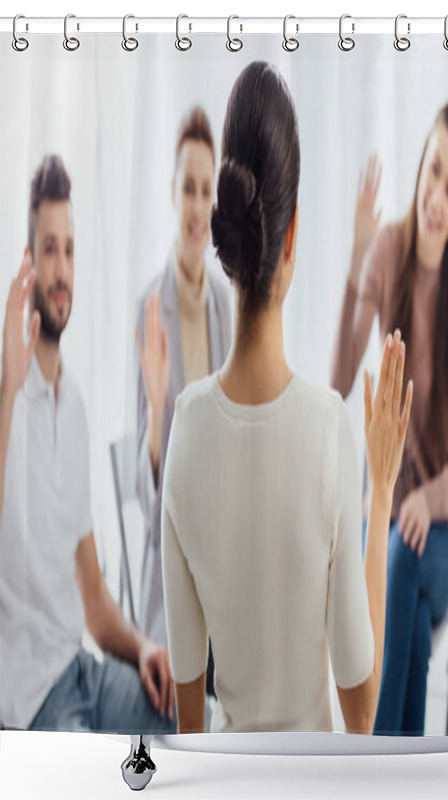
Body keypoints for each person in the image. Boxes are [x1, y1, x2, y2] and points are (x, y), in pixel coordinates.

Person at [160, 61, 413, 735]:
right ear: (292, 233)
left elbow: (189, 731)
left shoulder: (185, 432)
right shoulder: (329, 430)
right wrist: (381, 492)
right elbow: (360, 713)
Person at [0, 155, 176, 734]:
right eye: (49, 249)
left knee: (176, 721)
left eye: (69, 251)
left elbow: (94, 596)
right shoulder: (6, 392)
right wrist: (8, 387)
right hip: (33, 700)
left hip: (81, 671)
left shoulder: (73, 406)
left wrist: (145, 647)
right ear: (28, 261)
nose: (61, 270)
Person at [331, 104, 448, 735]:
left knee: (405, 561)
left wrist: (429, 503)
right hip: (387, 516)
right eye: (434, 173)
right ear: (419, 169)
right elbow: (338, 382)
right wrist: (356, 258)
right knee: (410, 628)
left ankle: (368, 760)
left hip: (438, 540)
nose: (437, 197)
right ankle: (404, 770)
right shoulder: (388, 249)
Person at [135, 107, 231, 697]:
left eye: (206, 191)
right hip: (169, 567)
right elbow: (149, 511)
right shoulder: (150, 309)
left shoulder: (226, 304)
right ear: (172, 194)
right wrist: (153, 412)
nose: (197, 207)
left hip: (220, 562)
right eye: (188, 189)